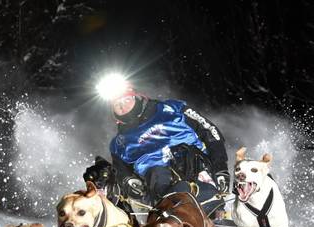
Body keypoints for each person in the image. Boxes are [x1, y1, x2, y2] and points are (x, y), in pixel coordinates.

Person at [85, 82, 232, 218]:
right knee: (157, 174)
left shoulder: (173, 108)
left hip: (194, 164)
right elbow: (122, 171)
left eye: (126, 100)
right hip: (158, 181)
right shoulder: (118, 144)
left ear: (136, 97)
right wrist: (129, 181)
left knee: (188, 160)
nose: (122, 107)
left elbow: (211, 132)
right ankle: (172, 217)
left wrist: (220, 168)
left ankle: (215, 213)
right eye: (117, 104)